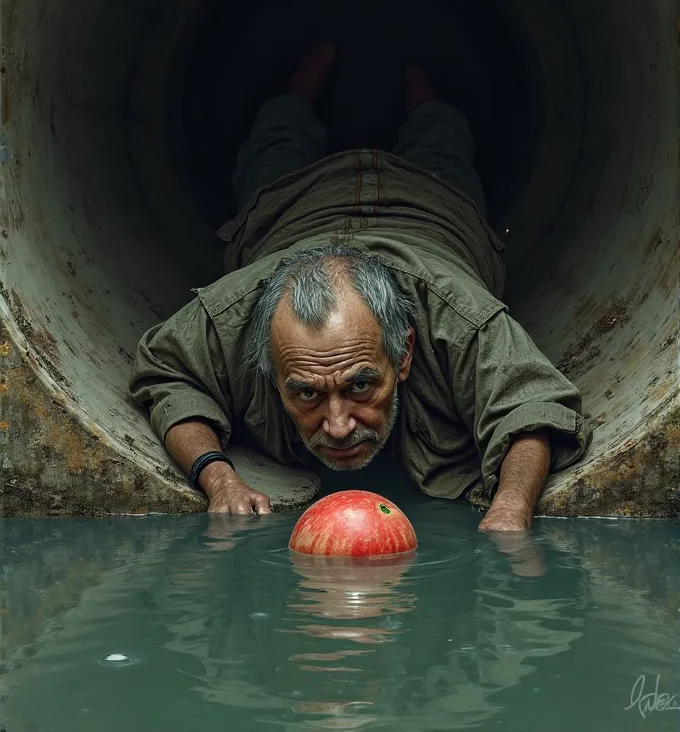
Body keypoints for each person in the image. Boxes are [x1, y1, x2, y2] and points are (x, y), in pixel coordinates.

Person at [130, 45, 591, 530]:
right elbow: (165, 370)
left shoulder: (457, 316)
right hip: (293, 204)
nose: (338, 426)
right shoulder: (235, 317)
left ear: (405, 352)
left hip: (431, 205)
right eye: (306, 394)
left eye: (361, 385)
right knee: (274, 150)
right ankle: (298, 93)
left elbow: (534, 405)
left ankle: (423, 93)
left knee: (441, 148)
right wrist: (216, 475)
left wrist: (511, 510)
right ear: (265, 357)